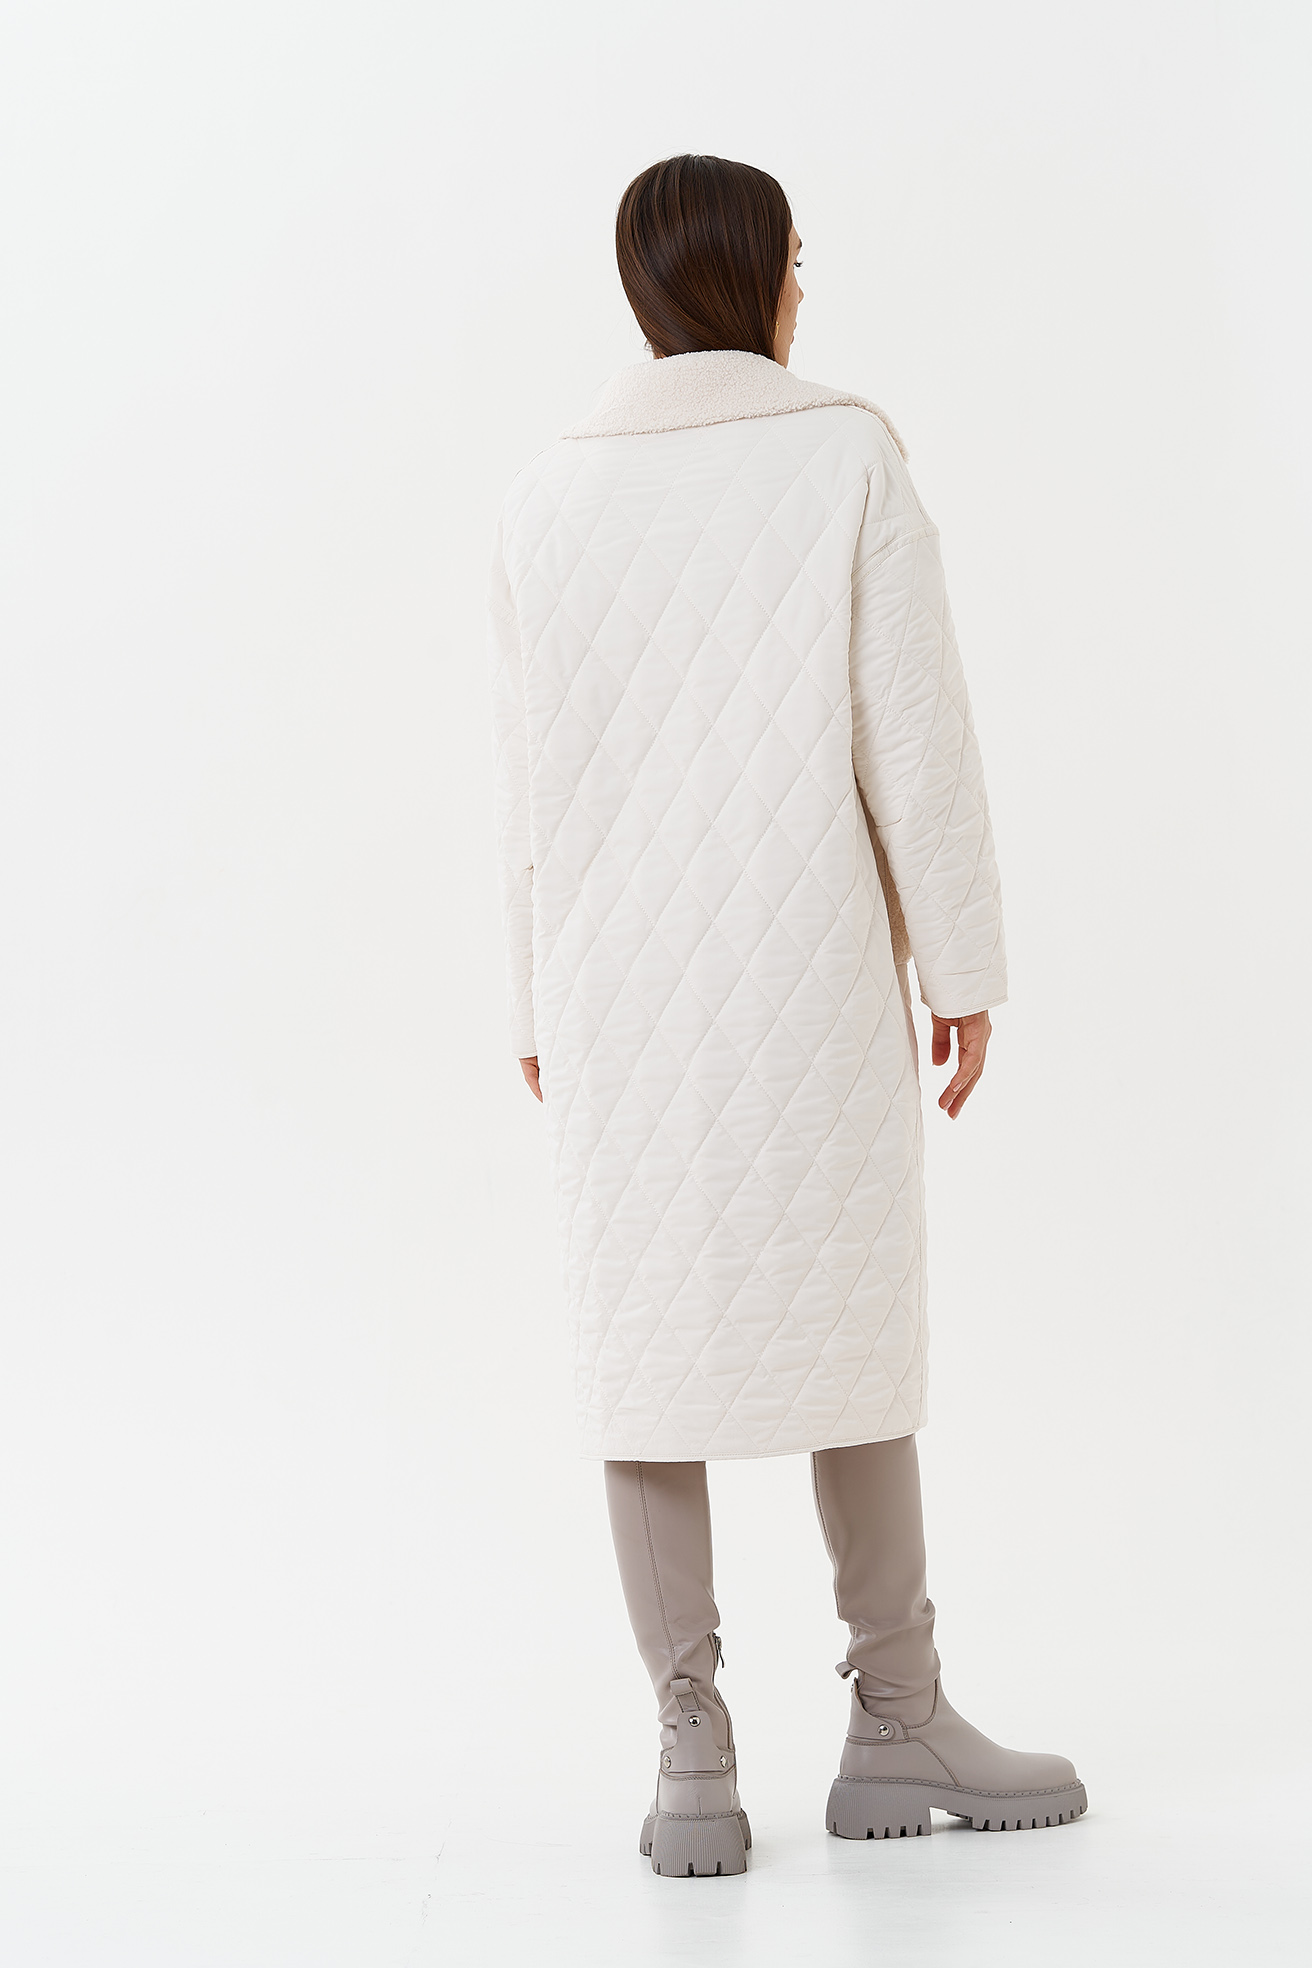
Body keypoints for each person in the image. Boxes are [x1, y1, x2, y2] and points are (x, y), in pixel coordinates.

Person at [487, 153, 1085, 1878]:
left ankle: (692, 1749)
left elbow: (524, 786)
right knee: (850, 1328)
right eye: (795, 262)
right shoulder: (845, 456)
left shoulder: (545, 495)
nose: (806, 290)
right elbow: (919, 737)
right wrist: (963, 969)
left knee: (646, 1360)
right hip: (805, 973)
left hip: (613, 989)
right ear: (751, 275)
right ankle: (899, 1715)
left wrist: (533, 994)